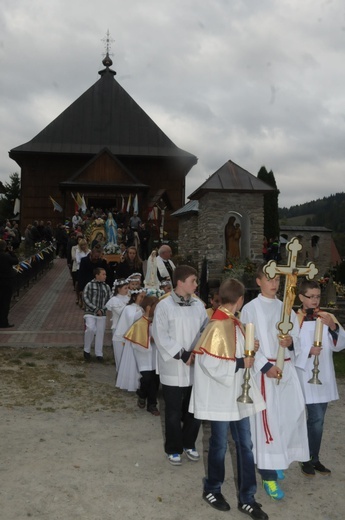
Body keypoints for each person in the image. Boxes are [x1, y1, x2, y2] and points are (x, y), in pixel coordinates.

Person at [189, 279, 268, 519]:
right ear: (240, 300)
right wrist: (242, 362)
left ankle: (247, 498)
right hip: (220, 398)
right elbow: (209, 362)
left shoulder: (234, 323)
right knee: (219, 444)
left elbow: (237, 353)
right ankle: (212, 488)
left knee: (246, 445)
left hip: (237, 396)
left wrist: (249, 348)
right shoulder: (217, 325)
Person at [240, 263, 309, 500]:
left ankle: (279, 459)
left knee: (290, 417)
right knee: (266, 424)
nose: (275, 284)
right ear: (259, 281)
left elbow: (297, 341)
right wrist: (266, 366)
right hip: (265, 372)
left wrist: (289, 342)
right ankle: (268, 475)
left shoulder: (286, 307)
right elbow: (247, 342)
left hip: (286, 368)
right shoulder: (250, 309)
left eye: (277, 280)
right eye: (269, 279)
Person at [152, 265, 208, 465]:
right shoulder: (164, 306)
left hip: (195, 364)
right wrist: (183, 354)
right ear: (180, 282)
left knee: (194, 408)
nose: (196, 284)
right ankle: (174, 448)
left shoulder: (199, 306)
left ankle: (189, 443)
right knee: (174, 410)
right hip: (174, 366)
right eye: (193, 280)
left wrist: (197, 352)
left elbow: (205, 330)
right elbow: (160, 334)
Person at [295, 280, 345, 477]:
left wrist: (333, 327)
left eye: (318, 296)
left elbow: (339, 345)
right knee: (307, 419)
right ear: (301, 297)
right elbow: (291, 347)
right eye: (311, 296)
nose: (315, 300)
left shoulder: (327, 317)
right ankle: (305, 457)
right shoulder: (294, 319)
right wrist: (308, 351)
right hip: (303, 373)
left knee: (318, 419)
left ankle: (311, 457)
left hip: (323, 373)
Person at [125, 294, 160, 416]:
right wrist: (149, 341)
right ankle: (143, 393)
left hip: (155, 355)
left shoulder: (158, 322)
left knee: (155, 380)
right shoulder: (140, 323)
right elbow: (136, 343)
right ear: (149, 308)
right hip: (143, 356)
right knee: (147, 378)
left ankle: (152, 404)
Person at [115, 288, 146, 391]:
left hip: (142, 338)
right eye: (141, 296)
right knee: (132, 361)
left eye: (144, 297)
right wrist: (144, 312)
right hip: (132, 338)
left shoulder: (142, 308)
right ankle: (132, 383)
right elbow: (132, 320)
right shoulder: (128, 308)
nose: (143, 299)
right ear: (134, 297)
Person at [83, 267, 112, 362]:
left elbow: (109, 299)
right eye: (103, 274)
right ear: (97, 275)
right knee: (90, 328)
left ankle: (99, 353)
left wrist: (103, 309)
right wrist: (95, 309)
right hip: (90, 312)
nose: (105, 276)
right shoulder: (89, 285)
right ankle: (86, 349)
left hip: (101, 314)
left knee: (100, 332)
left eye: (105, 274)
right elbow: (85, 297)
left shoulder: (106, 287)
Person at [106, 278, 130, 368]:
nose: (127, 290)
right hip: (118, 329)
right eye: (125, 288)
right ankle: (119, 372)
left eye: (128, 288)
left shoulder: (129, 298)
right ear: (118, 289)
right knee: (119, 353)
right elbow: (121, 313)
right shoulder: (114, 300)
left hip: (129, 329)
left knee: (128, 354)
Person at [0, 240, 18, 328]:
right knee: (5, 302)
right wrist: (11, 252)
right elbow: (16, 261)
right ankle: (3, 322)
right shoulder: (6, 256)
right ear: (4, 247)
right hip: (6, 282)